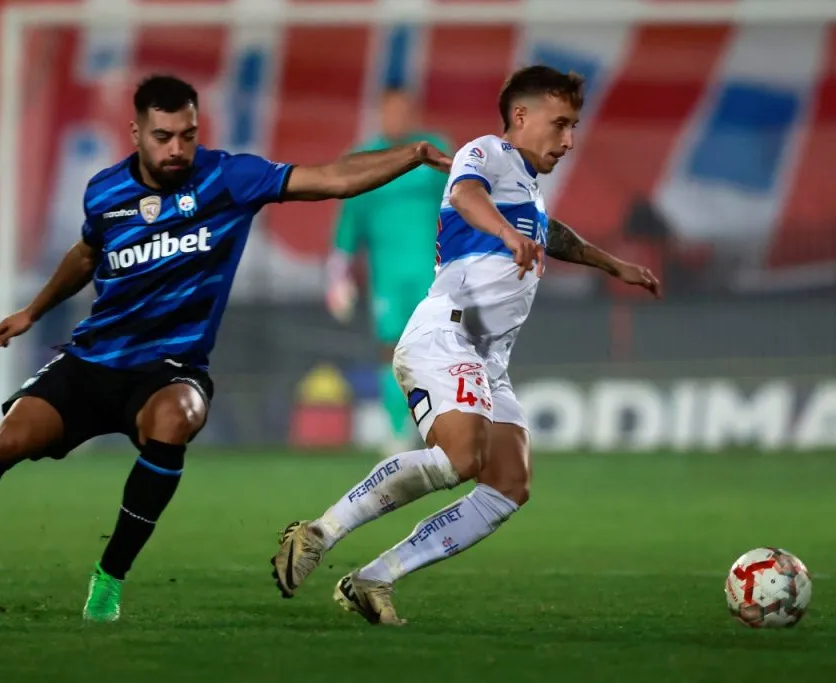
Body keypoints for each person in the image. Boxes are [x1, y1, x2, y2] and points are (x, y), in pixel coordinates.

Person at [0, 74, 451, 623]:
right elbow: (87, 255)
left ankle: (108, 579)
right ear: (136, 132)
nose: (177, 150)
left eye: (188, 135)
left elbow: (332, 179)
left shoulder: (228, 178)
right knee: (8, 438)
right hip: (94, 361)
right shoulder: (104, 192)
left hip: (172, 368)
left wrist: (414, 155)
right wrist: (32, 310)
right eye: (164, 137)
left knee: (176, 419)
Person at [271, 65, 662, 625]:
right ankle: (318, 533)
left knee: (508, 485)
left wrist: (613, 264)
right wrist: (506, 234)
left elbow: (551, 235)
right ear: (521, 117)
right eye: (561, 124)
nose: (569, 140)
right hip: (446, 333)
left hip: (487, 357)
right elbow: (465, 191)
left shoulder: (526, 185)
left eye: (573, 126)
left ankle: (375, 578)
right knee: (461, 458)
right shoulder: (484, 153)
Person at [325, 88, 451, 453]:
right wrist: (338, 272)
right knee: (392, 350)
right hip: (387, 276)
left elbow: (462, 202)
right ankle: (397, 428)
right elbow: (350, 220)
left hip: (433, 271)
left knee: (434, 348)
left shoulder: (432, 151)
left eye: (403, 112)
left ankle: (440, 427)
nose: (396, 119)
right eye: (389, 112)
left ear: (413, 114)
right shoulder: (363, 159)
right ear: (380, 114)